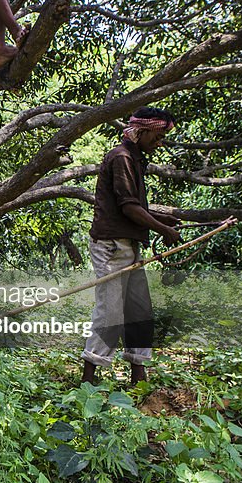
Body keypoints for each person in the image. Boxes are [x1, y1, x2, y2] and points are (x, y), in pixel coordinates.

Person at [82, 108, 181, 386]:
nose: (159, 143)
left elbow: (135, 206)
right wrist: (163, 229)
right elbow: (129, 208)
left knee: (139, 309)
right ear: (143, 131)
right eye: (158, 136)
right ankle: (88, 379)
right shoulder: (122, 157)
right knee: (110, 312)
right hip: (111, 246)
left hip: (128, 244)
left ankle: (138, 377)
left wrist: (163, 219)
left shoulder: (134, 159)